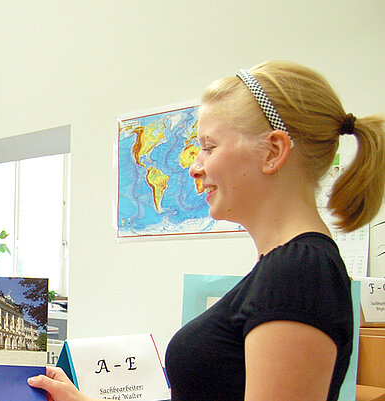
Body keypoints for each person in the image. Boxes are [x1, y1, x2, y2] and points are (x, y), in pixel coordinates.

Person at [28, 60, 385, 400]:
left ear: (273, 151)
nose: (195, 168)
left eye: (209, 147)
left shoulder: (298, 273)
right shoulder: (284, 269)